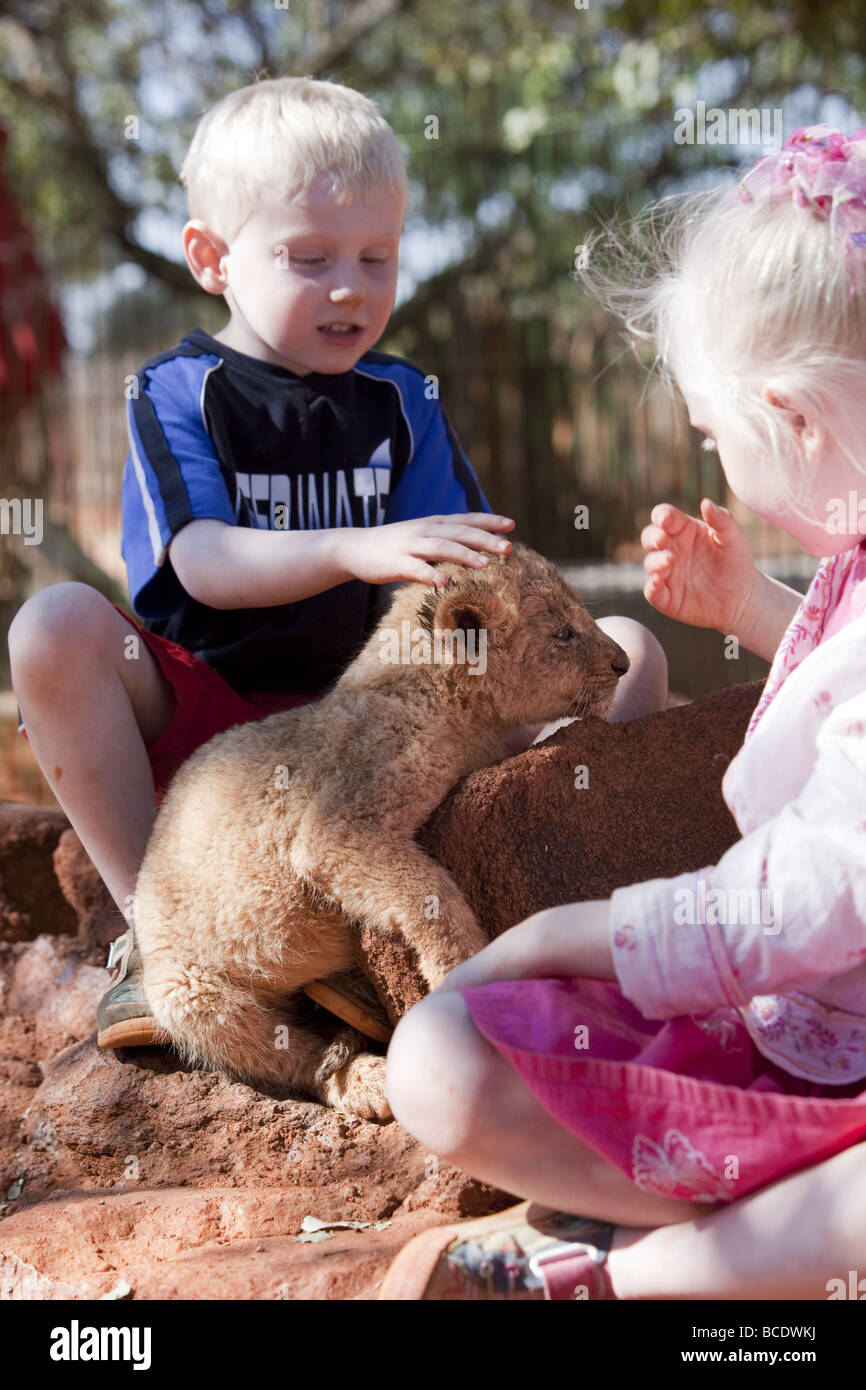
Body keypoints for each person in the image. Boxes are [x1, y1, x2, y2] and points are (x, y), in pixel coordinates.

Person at [6, 75, 665, 1051]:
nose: (351, 285)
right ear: (211, 258)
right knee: (52, 627)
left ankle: (501, 887)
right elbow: (199, 562)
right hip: (214, 738)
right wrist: (351, 547)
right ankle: (161, 930)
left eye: (378, 256)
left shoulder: (403, 402)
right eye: (308, 258)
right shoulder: (179, 392)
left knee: (629, 649)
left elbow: (472, 581)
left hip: (386, 741)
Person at [382, 124, 866, 1301]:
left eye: (712, 432)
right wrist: (748, 603)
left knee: (441, 1057)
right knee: (435, 1058)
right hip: (798, 1037)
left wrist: (573, 930)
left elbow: (813, 896)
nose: (703, 448)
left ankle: (637, 1274)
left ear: (796, 422)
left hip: (806, 1043)